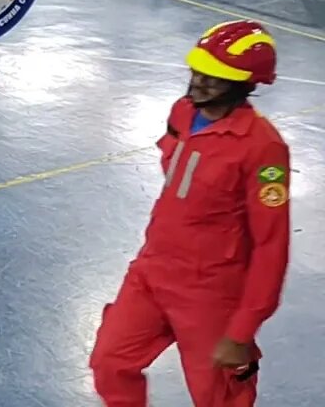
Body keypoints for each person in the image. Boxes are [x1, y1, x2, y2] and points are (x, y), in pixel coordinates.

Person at [90, 20, 289, 407]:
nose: (199, 82)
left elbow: (271, 245)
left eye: (214, 78)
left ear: (243, 85)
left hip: (211, 291)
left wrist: (242, 329)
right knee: (110, 361)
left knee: (220, 396)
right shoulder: (182, 112)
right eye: (198, 71)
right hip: (152, 271)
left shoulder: (263, 148)